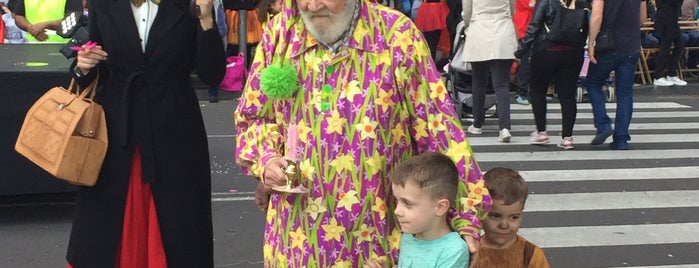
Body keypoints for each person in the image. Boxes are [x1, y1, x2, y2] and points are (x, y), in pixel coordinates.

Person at [234, 0, 491, 266]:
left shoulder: (396, 35)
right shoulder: (280, 33)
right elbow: (253, 117)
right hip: (297, 241)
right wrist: (266, 159)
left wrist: (465, 217)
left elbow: (440, 131)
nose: (312, 5)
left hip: (375, 241)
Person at [66, 0, 226, 266]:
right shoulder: (103, 4)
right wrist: (83, 65)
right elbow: (95, 73)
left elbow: (213, 74)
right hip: (117, 130)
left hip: (175, 130)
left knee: (180, 227)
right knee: (105, 228)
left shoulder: (193, 4)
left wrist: (207, 19)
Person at [515, 0, 590, 149]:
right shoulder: (582, 2)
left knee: (538, 91)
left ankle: (541, 132)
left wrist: (521, 50)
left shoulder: (546, 1)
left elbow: (534, 26)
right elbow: (586, 26)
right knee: (568, 95)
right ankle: (567, 137)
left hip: (546, 49)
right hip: (573, 52)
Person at [388, 152, 470, 267]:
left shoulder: (453, 251)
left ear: (440, 207)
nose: (397, 211)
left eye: (407, 203)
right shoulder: (407, 237)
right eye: (397, 201)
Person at [586, 0, 646, 150]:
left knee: (593, 83)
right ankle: (621, 139)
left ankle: (603, 124)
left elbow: (597, 15)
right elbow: (642, 18)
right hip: (631, 44)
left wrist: (591, 42)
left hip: (609, 44)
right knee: (625, 93)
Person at [462, 0, 518, 142]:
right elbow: (512, 11)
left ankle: (477, 123)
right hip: (503, 33)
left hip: (479, 32)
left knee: (479, 82)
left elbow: (467, 12)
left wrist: (468, 23)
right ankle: (504, 127)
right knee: (501, 85)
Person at [473, 167, 550, 268]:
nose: (504, 225)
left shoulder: (531, 255)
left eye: (514, 217)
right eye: (495, 216)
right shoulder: (470, 253)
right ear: (480, 213)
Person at [7, 0, 82, 42]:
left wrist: (46, 25)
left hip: (61, 45)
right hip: (32, 45)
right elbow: (18, 16)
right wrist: (31, 28)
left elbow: (75, 19)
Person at [652, 0, 687, 86]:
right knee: (665, 47)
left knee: (680, 44)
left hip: (673, 18)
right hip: (665, 18)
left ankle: (672, 73)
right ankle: (658, 76)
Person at [512, 0, 536, 105]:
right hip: (524, 28)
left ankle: (531, 91)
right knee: (526, 63)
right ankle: (521, 92)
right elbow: (530, 5)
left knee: (533, 62)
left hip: (530, 27)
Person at [681, 0, 699, 72]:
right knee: (696, 37)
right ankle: (691, 65)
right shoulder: (688, 2)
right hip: (689, 29)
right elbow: (687, 21)